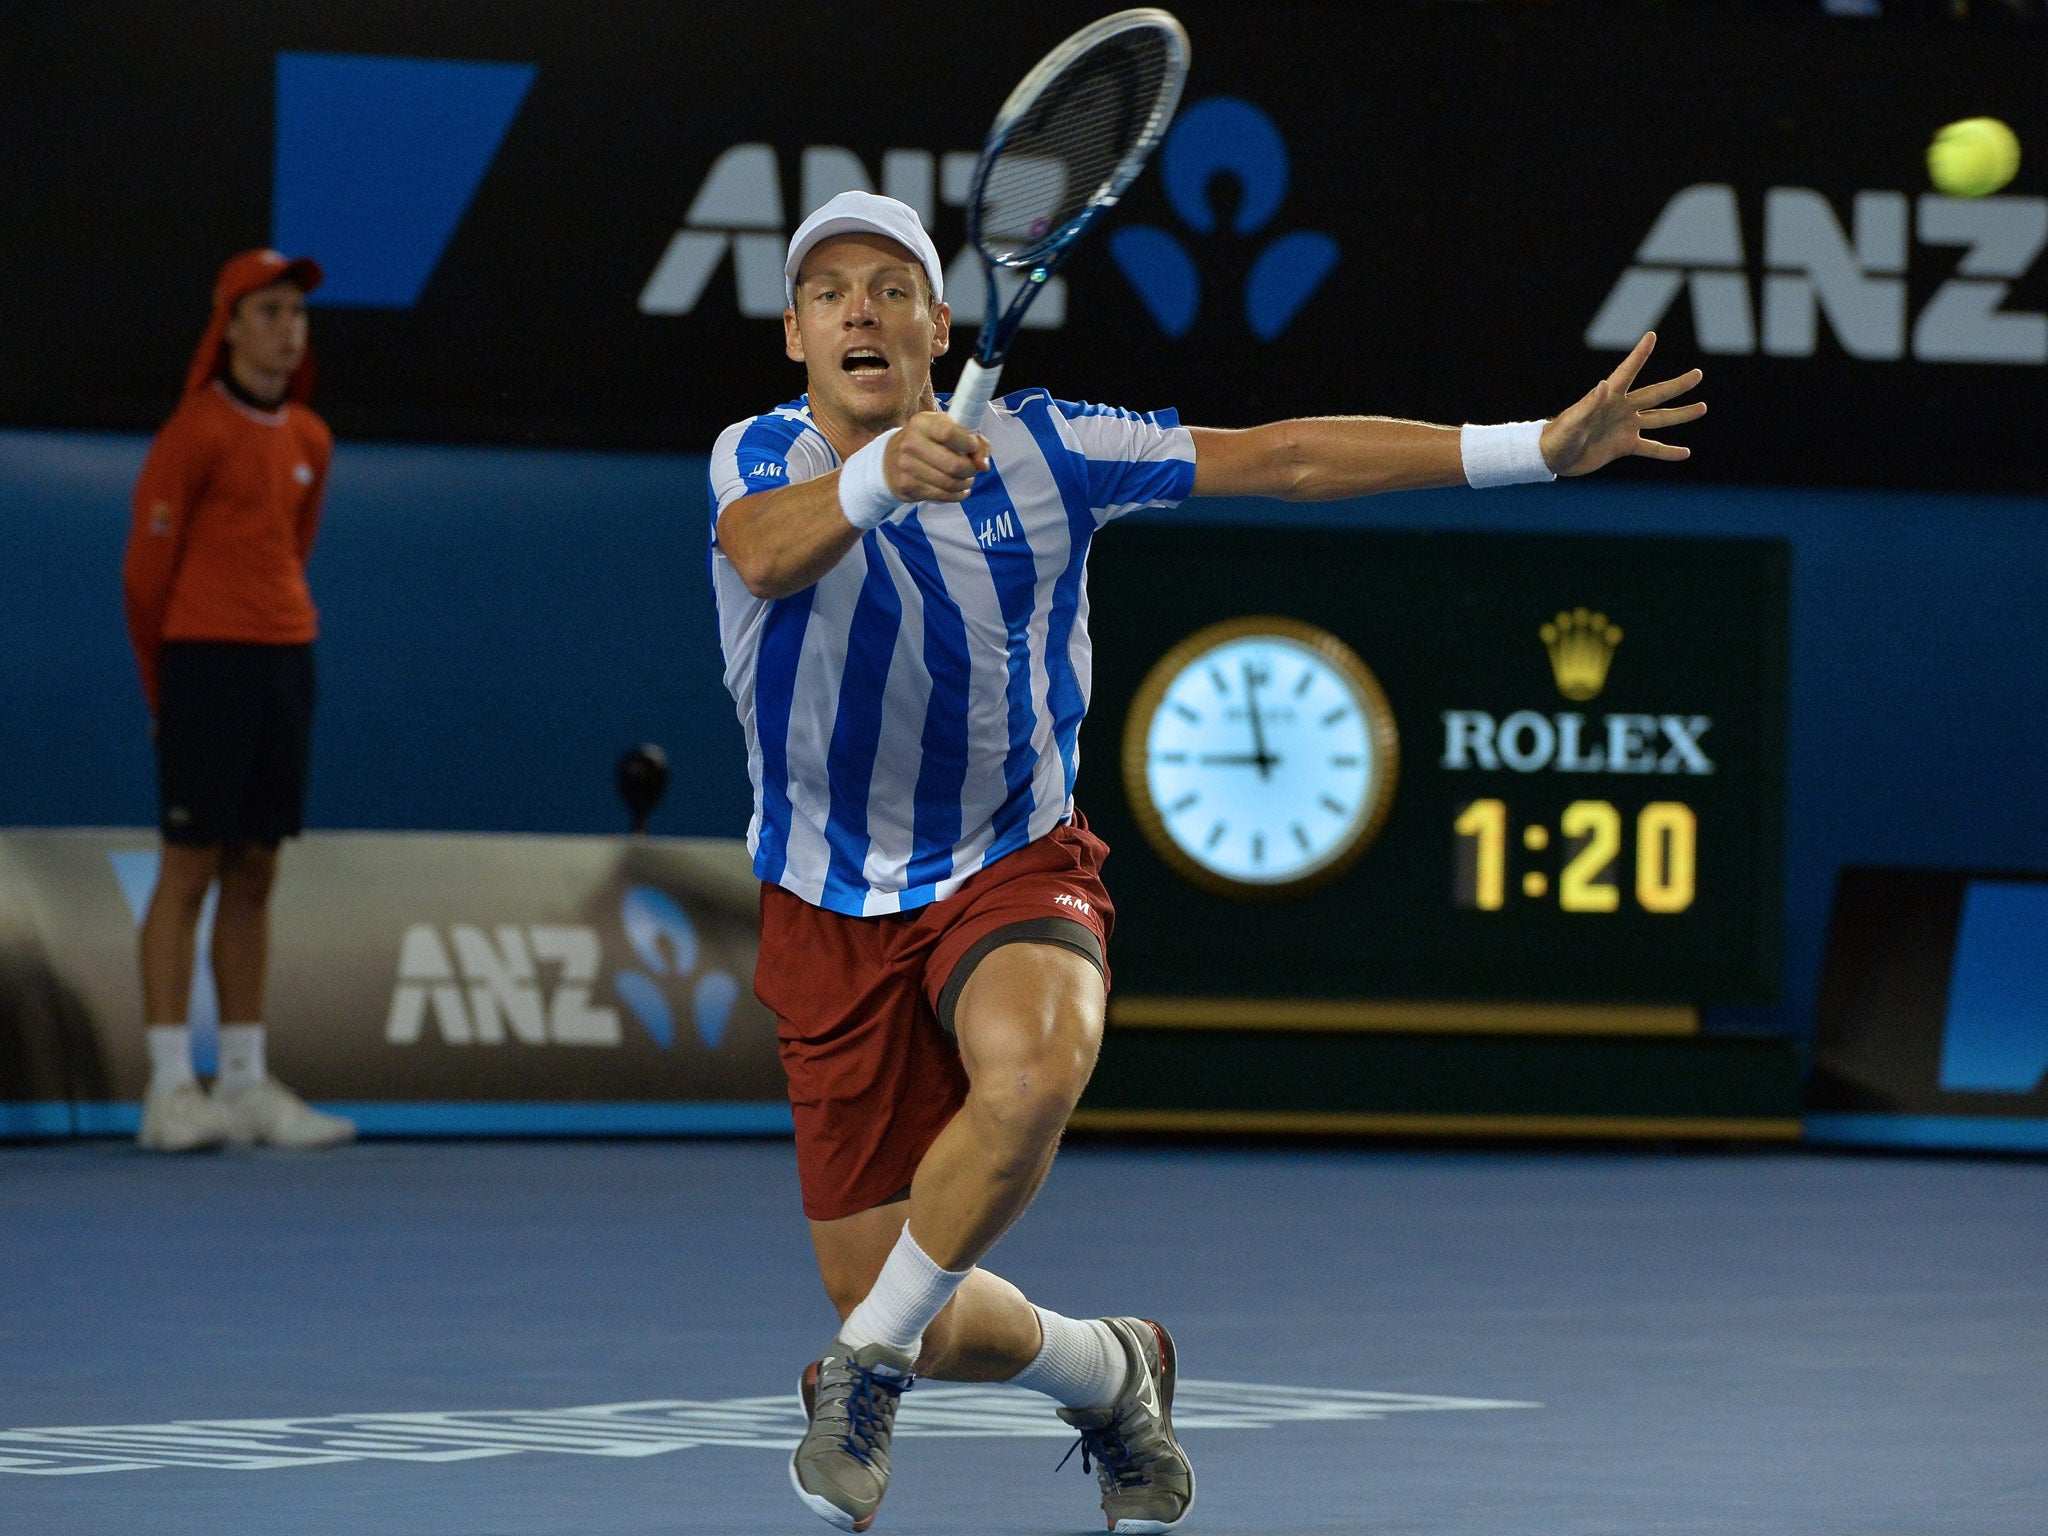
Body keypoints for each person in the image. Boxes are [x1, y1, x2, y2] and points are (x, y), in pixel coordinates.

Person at [710, 191, 1704, 1534]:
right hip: (827, 903)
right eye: (829, 293)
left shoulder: (1050, 448)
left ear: (942, 324)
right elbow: (768, 557)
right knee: (917, 1299)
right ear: (795, 336)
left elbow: (1283, 456)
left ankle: (865, 1374)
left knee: (1038, 1068)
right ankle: (1104, 1365)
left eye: (892, 286)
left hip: (1014, 858)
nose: (861, 311)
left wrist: (1535, 446)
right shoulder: (753, 458)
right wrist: (889, 475)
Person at [121, 249, 355, 1154]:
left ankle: (247, 1083)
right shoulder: (195, 432)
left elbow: (292, 551)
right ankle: (171, 1087)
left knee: (255, 872)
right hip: (203, 665)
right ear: (227, 328)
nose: (287, 325)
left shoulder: (311, 439)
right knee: (188, 871)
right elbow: (146, 581)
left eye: (296, 310)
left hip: (285, 661)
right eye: (267, 309)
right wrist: (163, 690)